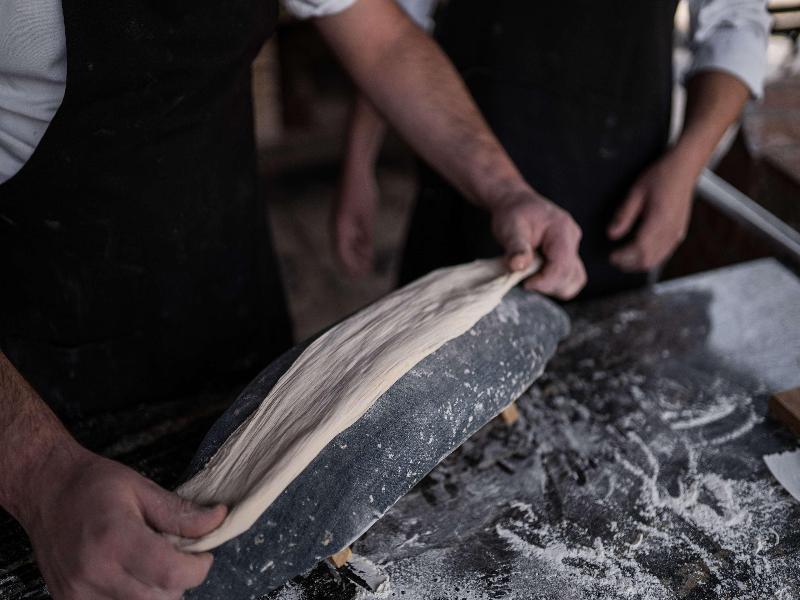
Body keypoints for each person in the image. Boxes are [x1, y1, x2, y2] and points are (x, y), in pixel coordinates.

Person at [0, 0, 586, 597]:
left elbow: (382, 40)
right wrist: (40, 474)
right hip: (38, 366)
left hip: (230, 285)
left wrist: (505, 189)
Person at [334, 0, 771, 297]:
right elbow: (388, 30)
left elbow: (737, 20)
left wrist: (685, 168)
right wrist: (358, 162)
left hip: (613, 188)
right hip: (454, 166)